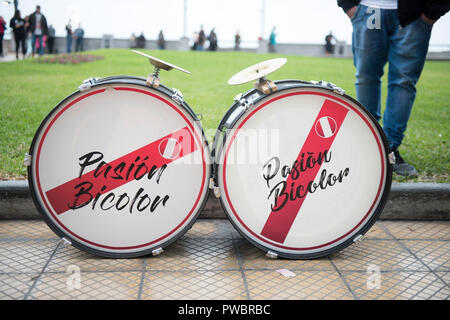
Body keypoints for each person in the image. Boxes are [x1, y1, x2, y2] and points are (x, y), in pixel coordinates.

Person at [337, 0, 450, 177]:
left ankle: (389, 148)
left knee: (403, 82)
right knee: (366, 77)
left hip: (413, 15)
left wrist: (433, 11)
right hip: (368, 9)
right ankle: (370, 145)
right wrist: (348, 5)